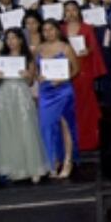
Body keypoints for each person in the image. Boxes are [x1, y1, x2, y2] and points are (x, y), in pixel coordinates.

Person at [0, 29, 49, 182]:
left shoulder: (28, 57)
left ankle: (32, 167)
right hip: (5, 94)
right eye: (8, 38)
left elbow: (30, 82)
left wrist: (27, 75)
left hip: (21, 93)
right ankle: (13, 167)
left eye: (14, 38)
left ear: (21, 40)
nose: (11, 41)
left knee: (26, 127)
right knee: (7, 128)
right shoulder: (1, 58)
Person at [36, 20, 80, 179]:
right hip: (45, 92)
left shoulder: (66, 47)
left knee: (65, 125)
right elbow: (36, 71)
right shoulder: (39, 48)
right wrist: (38, 77)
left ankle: (68, 160)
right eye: (45, 30)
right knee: (46, 127)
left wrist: (62, 79)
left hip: (63, 91)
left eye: (51, 29)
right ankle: (52, 160)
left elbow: (76, 70)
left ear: (57, 30)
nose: (48, 32)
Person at [63, 1, 107, 151]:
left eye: (73, 10)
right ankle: (69, 142)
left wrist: (87, 51)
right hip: (65, 72)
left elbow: (93, 47)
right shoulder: (60, 29)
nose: (70, 13)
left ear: (78, 11)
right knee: (69, 107)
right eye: (67, 10)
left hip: (83, 71)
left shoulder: (87, 28)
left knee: (85, 106)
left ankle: (86, 141)